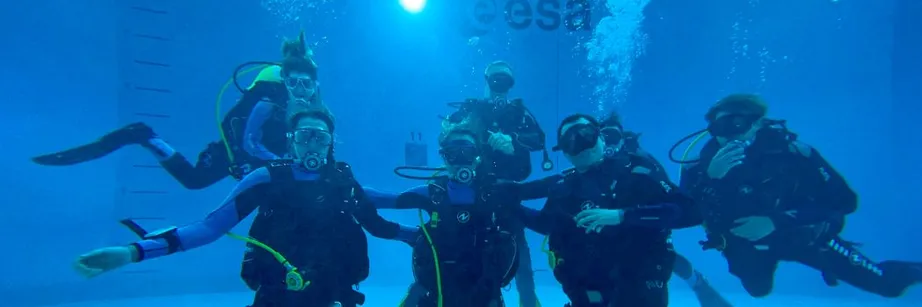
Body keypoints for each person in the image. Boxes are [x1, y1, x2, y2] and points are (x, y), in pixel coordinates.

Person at [73, 109, 418, 307]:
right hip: (276, 295)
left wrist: (417, 234)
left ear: (331, 144)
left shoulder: (342, 180)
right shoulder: (267, 177)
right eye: (305, 136)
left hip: (333, 294)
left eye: (321, 137)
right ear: (291, 141)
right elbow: (209, 227)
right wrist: (132, 252)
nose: (313, 144)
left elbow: (374, 218)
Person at [676, 94, 922, 299]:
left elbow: (845, 202)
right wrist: (711, 178)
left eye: (739, 125)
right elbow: (686, 214)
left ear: (758, 124)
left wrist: (775, 221)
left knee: (887, 285)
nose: (731, 135)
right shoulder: (697, 166)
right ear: (711, 129)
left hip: (802, 235)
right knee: (757, 290)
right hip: (742, 243)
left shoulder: (795, 154)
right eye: (721, 127)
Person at [31, 32, 322, 189]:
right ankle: (144, 136)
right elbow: (245, 135)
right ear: (285, 79)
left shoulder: (308, 105)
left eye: (307, 84)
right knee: (195, 181)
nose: (301, 89)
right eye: (295, 82)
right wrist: (249, 160)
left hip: (259, 156)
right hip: (238, 149)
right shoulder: (270, 98)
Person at [396, 61, 547, 307]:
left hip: (504, 191)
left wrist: (513, 140)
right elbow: (448, 133)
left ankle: (527, 299)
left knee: (517, 246)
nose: (500, 87)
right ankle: (425, 291)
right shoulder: (471, 110)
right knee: (446, 242)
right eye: (495, 80)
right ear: (485, 82)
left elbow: (540, 140)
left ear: (511, 85)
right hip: (469, 190)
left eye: (505, 82)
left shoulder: (519, 113)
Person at [530, 114, 701, 307]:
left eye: (587, 135)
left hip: (637, 286)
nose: (580, 145)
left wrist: (622, 216)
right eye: (569, 141)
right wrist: (502, 202)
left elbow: (690, 212)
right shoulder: (568, 184)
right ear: (564, 151)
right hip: (588, 289)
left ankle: (697, 281)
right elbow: (544, 222)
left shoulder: (638, 170)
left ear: (601, 138)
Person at [596, 112, 732, 307]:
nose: (609, 144)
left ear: (622, 139)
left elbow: (672, 200)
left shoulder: (640, 160)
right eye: (604, 137)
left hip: (647, 220)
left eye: (613, 137)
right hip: (612, 221)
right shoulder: (593, 159)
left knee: (662, 256)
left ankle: (697, 282)